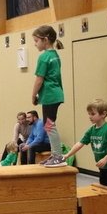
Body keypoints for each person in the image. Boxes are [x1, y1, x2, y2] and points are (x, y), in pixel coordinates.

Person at [63, 99, 107, 214]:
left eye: (93, 114)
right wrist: (68, 155)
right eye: (89, 114)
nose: (90, 116)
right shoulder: (92, 130)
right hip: (104, 167)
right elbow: (80, 143)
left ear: (103, 114)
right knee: (104, 187)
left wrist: (105, 159)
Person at [32, 25, 66, 168]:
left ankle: (58, 156)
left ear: (45, 40)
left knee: (49, 125)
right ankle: (55, 154)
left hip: (50, 95)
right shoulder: (54, 55)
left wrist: (33, 95)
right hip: (55, 93)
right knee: (49, 125)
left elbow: (39, 79)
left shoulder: (44, 57)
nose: (35, 44)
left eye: (36, 41)